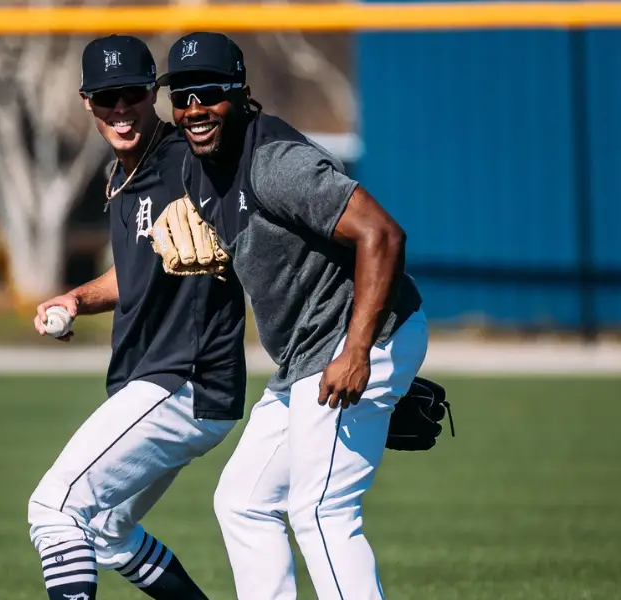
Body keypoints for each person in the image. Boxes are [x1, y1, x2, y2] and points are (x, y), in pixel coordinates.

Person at [151, 32, 429, 600]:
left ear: (241, 94)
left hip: (362, 338)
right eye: (181, 96)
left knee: (321, 508)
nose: (193, 108)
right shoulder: (197, 170)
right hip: (306, 357)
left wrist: (357, 355)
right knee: (243, 501)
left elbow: (383, 233)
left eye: (208, 92)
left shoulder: (276, 163)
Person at [27, 34, 247, 600]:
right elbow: (133, 273)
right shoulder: (120, 176)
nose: (120, 110)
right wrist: (75, 299)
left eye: (131, 95)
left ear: (153, 93)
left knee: (54, 509)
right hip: (159, 380)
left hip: (183, 378)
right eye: (107, 98)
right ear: (86, 101)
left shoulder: (186, 162)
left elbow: (255, 190)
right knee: (106, 530)